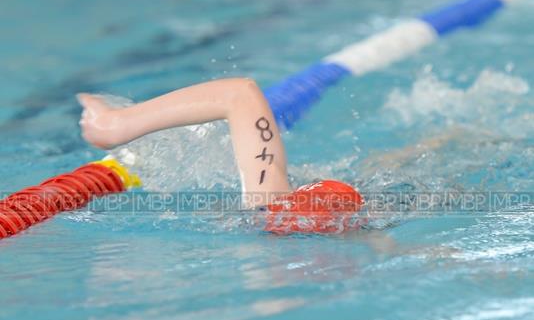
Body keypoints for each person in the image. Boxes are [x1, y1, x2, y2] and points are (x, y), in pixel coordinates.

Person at [77, 77, 363, 235]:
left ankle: (116, 124)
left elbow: (240, 94)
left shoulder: (268, 205)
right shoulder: (266, 219)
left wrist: (116, 124)